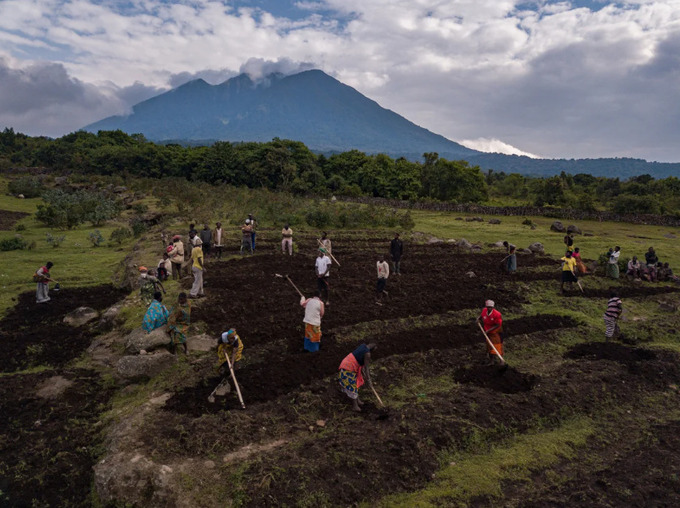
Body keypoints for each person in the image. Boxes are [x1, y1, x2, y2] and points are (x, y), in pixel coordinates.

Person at [338, 343, 377, 412]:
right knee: (352, 386)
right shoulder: (367, 354)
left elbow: (359, 359)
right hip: (348, 367)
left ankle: (358, 401)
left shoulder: (363, 346)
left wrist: (364, 374)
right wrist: (369, 380)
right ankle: (355, 406)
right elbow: (366, 368)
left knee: (356, 383)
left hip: (347, 362)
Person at [477, 300, 505, 366]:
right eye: (488, 307)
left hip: (495, 332)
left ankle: (501, 360)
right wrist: (478, 318)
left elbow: (498, 325)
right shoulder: (484, 311)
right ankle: (491, 361)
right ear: (486, 307)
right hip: (487, 332)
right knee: (489, 346)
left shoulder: (497, 314)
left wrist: (489, 330)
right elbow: (482, 316)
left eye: (490, 307)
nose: (489, 308)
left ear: (493, 307)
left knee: (497, 345)